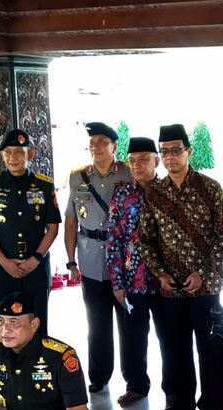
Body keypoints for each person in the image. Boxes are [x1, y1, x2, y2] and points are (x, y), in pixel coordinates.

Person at [139, 123, 223, 410]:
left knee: (209, 348)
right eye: (164, 152)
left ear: (188, 152)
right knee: (175, 349)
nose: (169, 157)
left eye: (175, 150)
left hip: (205, 287)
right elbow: (146, 240)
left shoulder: (210, 188)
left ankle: (213, 404)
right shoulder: (154, 194)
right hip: (171, 288)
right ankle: (181, 403)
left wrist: (202, 273)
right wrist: (161, 274)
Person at [64, 122, 132, 395]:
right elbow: (70, 221)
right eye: (92, 143)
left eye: (102, 142)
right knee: (96, 322)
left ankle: (133, 380)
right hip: (90, 258)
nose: (96, 148)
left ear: (114, 147)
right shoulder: (77, 177)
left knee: (128, 324)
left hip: (124, 261)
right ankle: (99, 375)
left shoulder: (128, 174)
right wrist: (71, 261)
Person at [0, 129, 61, 325]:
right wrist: (4, 262)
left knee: (37, 322)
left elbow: (53, 228)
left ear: (30, 154)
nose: (13, 157)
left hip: (36, 268)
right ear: (2, 155)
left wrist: (35, 259)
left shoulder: (44, 185)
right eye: (8, 152)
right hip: (3, 268)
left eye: (19, 152)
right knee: (8, 324)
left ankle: (39, 357)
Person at [106, 136, 164, 407]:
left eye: (144, 159)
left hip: (166, 281)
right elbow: (114, 239)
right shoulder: (122, 193)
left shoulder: (168, 190)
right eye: (132, 160)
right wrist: (117, 282)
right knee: (133, 338)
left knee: (170, 338)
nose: (137, 165)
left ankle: (175, 389)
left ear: (157, 160)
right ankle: (137, 386)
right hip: (133, 279)